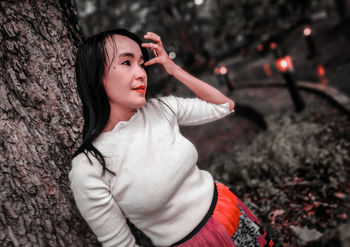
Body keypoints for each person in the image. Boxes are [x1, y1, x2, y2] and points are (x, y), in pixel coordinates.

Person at [69, 28, 273, 247]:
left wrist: (173, 69)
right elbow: (120, 244)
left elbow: (224, 106)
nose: (140, 73)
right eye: (127, 63)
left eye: (141, 63)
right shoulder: (89, 167)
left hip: (231, 213)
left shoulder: (162, 108)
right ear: (96, 75)